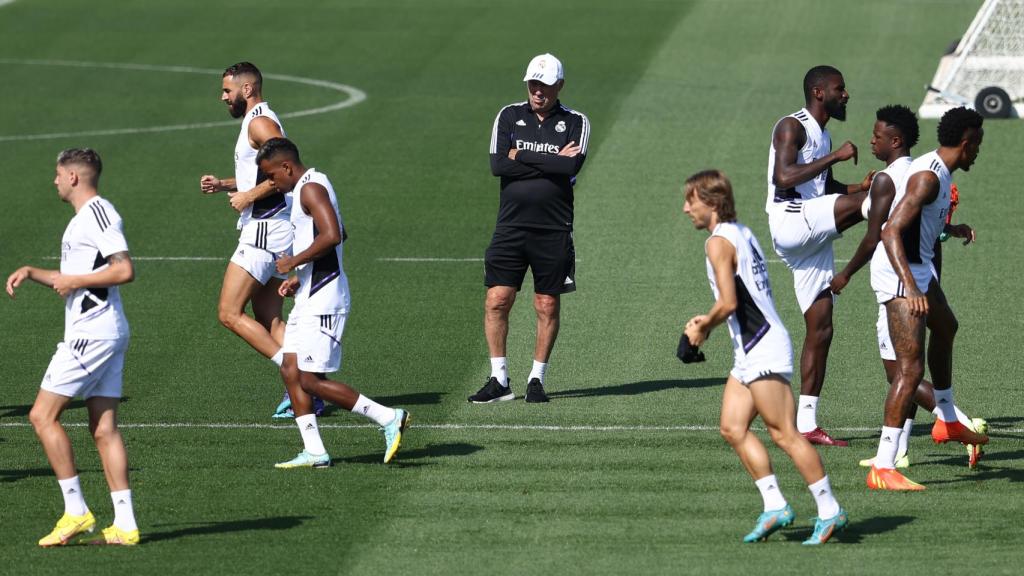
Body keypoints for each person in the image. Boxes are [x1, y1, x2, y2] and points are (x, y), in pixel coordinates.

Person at [683, 170, 847, 545]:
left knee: (785, 434)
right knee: (732, 427)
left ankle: (829, 509)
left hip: (763, 347)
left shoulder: (717, 244)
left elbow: (728, 302)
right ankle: (775, 506)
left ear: (710, 202)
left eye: (691, 200)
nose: (685, 208)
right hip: (750, 351)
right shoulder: (740, 232)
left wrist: (701, 327)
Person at [828, 105, 984, 469]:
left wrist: (947, 233)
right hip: (901, 273)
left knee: (947, 326)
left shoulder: (939, 171)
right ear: (966, 142)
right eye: (977, 145)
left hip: (917, 268)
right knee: (908, 370)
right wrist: (911, 289)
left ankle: (947, 421)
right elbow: (890, 231)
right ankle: (885, 465)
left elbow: (919, 227)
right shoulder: (928, 177)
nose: (978, 152)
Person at [6, 149, 140, 546]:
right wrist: (32, 272)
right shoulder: (83, 220)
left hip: (92, 334)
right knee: (103, 427)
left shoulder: (99, 214)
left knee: (41, 416)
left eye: (58, 174)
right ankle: (126, 526)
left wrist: (76, 280)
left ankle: (76, 512)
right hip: (105, 330)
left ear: (74, 178)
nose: (55, 181)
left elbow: (124, 269)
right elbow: (73, 277)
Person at [254, 138, 409, 468]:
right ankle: (314, 450)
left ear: (286, 166)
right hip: (310, 293)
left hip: (325, 299)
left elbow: (334, 234)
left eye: (271, 175)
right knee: (290, 369)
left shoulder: (310, 189)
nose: (271, 183)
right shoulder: (307, 190)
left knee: (310, 381)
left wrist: (294, 260)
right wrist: (300, 276)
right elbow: (338, 233)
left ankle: (388, 417)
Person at [198, 62, 322, 418]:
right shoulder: (256, 121)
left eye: (227, 91)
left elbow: (287, 169)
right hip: (274, 228)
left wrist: (249, 198)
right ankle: (308, 391)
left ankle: (298, 376)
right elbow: (263, 173)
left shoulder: (260, 122)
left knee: (228, 313)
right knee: (269, 317)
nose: (223, 97)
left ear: (247, 89)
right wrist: (225, 185)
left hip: (265, 231)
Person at [470, 53, 590, 404]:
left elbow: (571, 166)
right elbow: (497, 165)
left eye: (545, 85)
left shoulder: (576, 122)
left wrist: (519, 155)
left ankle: (536, 378)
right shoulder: (509, 115)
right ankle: (499, 379)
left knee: (546, 303)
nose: (538, 91)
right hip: (510, 226)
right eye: (533, 84)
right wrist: (550, 162)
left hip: (553, 228)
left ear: (559, 86)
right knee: (497, 299)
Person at [766, 65, 874, 446]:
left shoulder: (823, 134)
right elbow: (784, 177)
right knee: (879, 202)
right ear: (818, 91)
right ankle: (903, 230)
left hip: (811, 232)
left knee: (822, 326)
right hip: (791, 223)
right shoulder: (790, 127)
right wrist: (839, 159)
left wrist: (854, 186)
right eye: (839, 89)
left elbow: (821, 186)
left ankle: (806, 423)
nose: (845, 94)